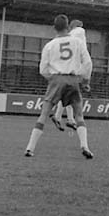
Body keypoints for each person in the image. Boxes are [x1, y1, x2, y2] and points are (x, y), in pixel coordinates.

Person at [24, 14, 94, 159]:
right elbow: (87, 63)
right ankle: (85, 146)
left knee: (43, 115)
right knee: (79, 115)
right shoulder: (77, 42)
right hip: (73, 79)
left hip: (56, 79)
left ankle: (30, 148)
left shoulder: (50, 45)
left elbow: (43, 69)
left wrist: (52, 79)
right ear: (68, 27)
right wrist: (85, 80)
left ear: (54, 28)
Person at [50, 19, 84, 132]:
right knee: (71, 94)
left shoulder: (66, 38)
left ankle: (67, 119)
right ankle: (62, 117)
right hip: (73, 69)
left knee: (68, 95)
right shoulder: (79, 32)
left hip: (65, 68)